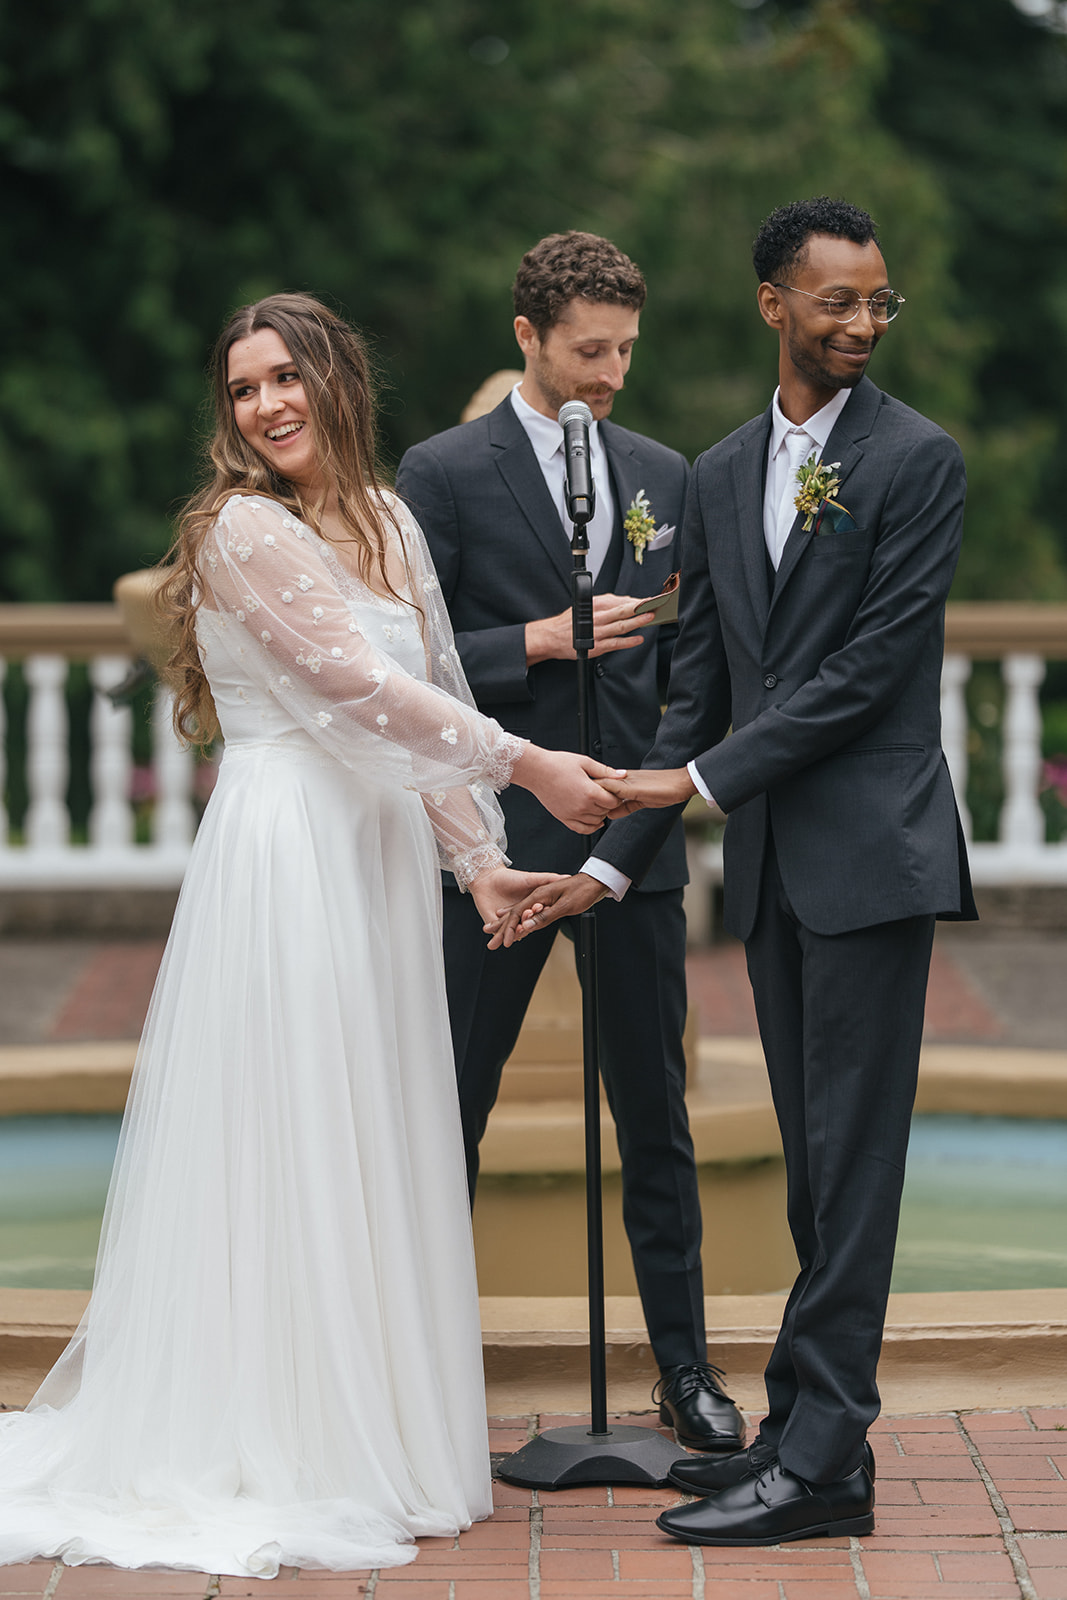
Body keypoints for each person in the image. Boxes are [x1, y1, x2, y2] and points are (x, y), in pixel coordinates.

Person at [0, 293, 623, 1578]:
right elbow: (357, 689)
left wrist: (479, 861)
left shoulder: (390, 519)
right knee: (290, 1127)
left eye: (286, 376)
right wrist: (530, 764)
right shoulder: (241, 530)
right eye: (243, 388)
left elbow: (427, 700)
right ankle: (286, 1435)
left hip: (381, 857)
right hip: (288, 858)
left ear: (336, 377)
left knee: (374, 1126)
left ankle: (373, 1426)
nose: (268, 405)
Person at [493, 199, 976, 1545]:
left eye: (877, 303)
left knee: (853, 1158)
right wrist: (601, 869)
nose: (860, 324)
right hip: (770, 867)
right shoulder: (709, 476)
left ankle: (822, 1459)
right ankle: (801, 1432)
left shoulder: (915, 462)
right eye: (835, 301)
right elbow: (691, 690)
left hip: (869, 856)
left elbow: (865, 673)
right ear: (773, 303)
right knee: (812, 1165)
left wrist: (697, 783)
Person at [395, 232, 744, 1454]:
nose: (609, 372)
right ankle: (420, 1369)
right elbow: (411, 667)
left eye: (625, 350)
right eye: (588, 350)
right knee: (452, 1106)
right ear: (526, 339)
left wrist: (637, 814)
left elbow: (690, 663)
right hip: (490, 844)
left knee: (655, 1115)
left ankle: (685, 1370)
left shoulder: (665, 473)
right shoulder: (436, 473)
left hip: (629, 847)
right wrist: (535, 642)